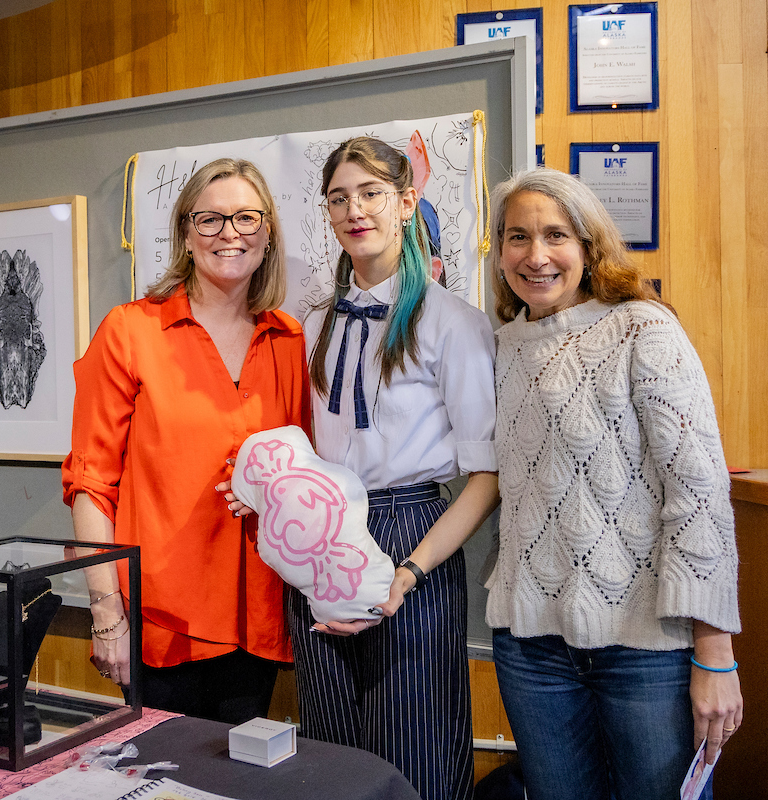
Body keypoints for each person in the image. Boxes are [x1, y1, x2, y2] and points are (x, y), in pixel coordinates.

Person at [486, 167, 743, 800]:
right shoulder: (501, 346)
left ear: (589, 245)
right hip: (531, 647)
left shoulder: (642, 329)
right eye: (517, 237)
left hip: (645, 646)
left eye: (556, 235)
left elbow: (699, 495)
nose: (536, 255)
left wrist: (716, 651)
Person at [61, 158, 310, 725]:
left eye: (247, 218)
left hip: (259, 620)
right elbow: (90, 486)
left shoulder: (288, 340)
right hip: (158, 624)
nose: (230, 233)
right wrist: (106, 612)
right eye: (210, 219)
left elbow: (301, 472)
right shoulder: (130, 331)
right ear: (185, 233)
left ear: (267, 233)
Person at [292, 136, 498, 800]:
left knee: (418, 750)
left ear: (407, 202)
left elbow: (486, 476)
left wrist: (410, 569)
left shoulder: (454, 324)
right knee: (329, 750)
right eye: (339, 198)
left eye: (372, 192)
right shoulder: (316, 322)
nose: (356, 210)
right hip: (326, 536)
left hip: (414, 534)